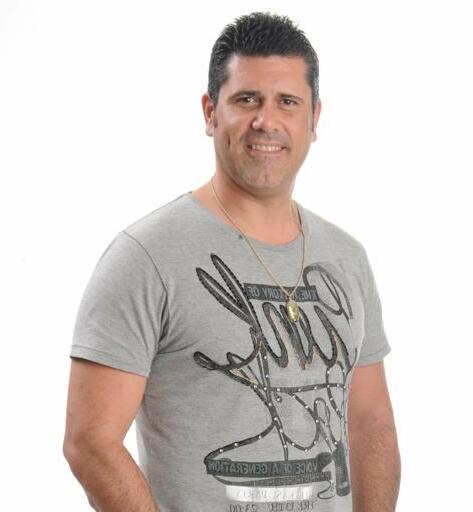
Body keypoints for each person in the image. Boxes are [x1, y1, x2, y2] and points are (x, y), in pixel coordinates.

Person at [63, 11, 401, 512]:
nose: (267, 121)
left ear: (313, 119)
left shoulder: (346, 258)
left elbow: (371, 423)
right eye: (247, 99)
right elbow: (89, 441)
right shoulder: (146, 256)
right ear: (210, 112)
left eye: (287, 102)